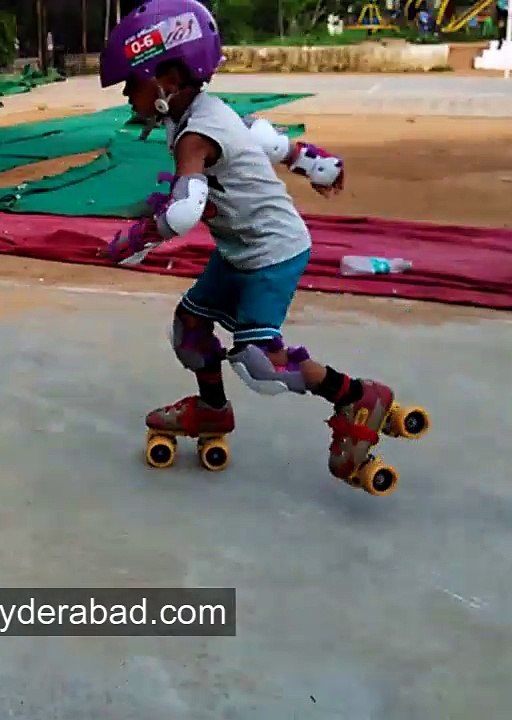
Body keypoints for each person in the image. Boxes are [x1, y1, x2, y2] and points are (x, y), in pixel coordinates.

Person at [96, 0, 399, 482]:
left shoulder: (194, 136)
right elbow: (262, 139)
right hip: (239, 250)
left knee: (260, 361)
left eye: (133, 82)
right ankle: (213, 409)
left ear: (168, 79)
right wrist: (315, 163)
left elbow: (184, 211)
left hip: (274, 251)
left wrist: (135, 239)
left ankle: (358, 397)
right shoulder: (201, 113)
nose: (127, 94)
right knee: (190, 328)